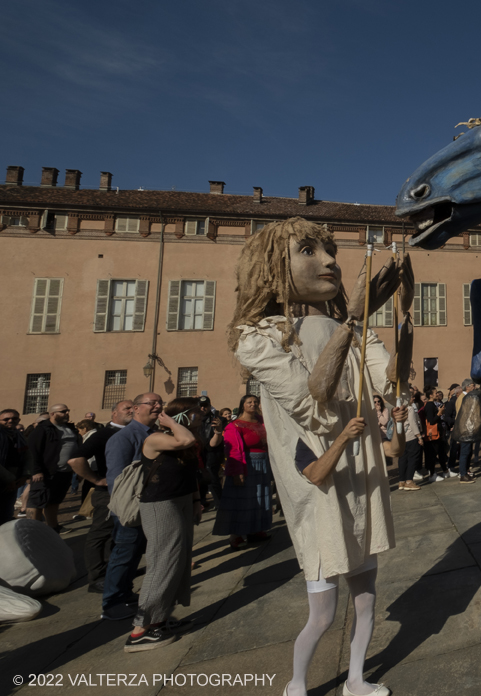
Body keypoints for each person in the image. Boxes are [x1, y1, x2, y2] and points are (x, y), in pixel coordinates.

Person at [229, 216, 401, 696]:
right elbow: (316, 408)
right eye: (309, 250)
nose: (328, 261)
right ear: (272, 268)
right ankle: (297, 685)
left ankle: (356, 680)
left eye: (330, 252)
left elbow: (388, 379)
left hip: (363, 481)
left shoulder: (356, 328)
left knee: (366, 603)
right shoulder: (259, 337)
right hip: (320, 489)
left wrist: (397, 338)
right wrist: (352, 322)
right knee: (323, 614)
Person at [125, 398, 204, 652]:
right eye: (196, 413)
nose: (202, 415)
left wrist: (195, 500)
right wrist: (170, 421)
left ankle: (159, 621)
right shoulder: (155, 438)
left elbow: (190, 472)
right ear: (183, 417)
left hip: (180, 501)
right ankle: (140, 630)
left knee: (179, 562)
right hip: (160, 505)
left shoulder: (184, 436)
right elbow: (185, 441)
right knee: (162, 562)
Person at [102, 393, 159, 621]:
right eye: (152, 403)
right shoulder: (123, 438)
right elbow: (117, 479)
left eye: (159, 403)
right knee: (124, 553)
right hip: (130, 507)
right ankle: (112, 602)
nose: (157, 406)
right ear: (136, 408)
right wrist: (125, 509)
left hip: (150, 503)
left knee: (135, 553)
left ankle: (125, 593)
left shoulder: (155, 434)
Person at [72, 400, 130, 592]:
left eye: (133, 408)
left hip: (127, 492)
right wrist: (96, 479)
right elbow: (75, 460)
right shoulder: (103, 434)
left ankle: (115, 570)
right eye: (127, 408)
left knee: (119, 534)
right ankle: (97, 577)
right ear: (114, 413)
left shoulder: (135, 431)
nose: (131, 411)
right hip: (107, 493)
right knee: (100, 534)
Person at [213, 394, 272, 550]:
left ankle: (256, 530)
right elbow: (232, 451)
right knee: (242, 500)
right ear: (242, 405)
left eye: (255, 402)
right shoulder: (234, 425)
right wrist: (237, 471)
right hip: (246, 465)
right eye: (249, 402)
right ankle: (236, 535)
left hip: (263, 464)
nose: (253, 404)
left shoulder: (262, 421)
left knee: (260, 497)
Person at [22, 403, 80, 531]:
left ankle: (53, 527)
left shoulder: (70, 428)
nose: (66, 413)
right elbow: (32, 451)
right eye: (63, 411)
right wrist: (36, 471)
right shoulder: (42, 429)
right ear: (52, 414)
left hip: (64, 472)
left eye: (67, 411)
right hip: (46, 472)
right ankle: (33, 529)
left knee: (54, 501)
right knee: (37, 501)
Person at [0, 409, 26, 525]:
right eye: (6, 419)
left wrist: (25, 475)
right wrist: (10, 479)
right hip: (5, 479)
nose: (10, 421)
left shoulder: (19, 436)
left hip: (14, 481)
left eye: (14, 418)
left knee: (6, 514)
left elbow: (28, 456)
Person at [397, 394, 423, 490]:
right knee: (412, 459)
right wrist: (419, 436)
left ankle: (402, 481)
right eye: (411, 396)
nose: (413, 398)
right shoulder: (410, 408)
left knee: (403, 459)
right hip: (411, 436)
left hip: (402, 437)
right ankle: (409, 481)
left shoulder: (397, 409)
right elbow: (413, 423)